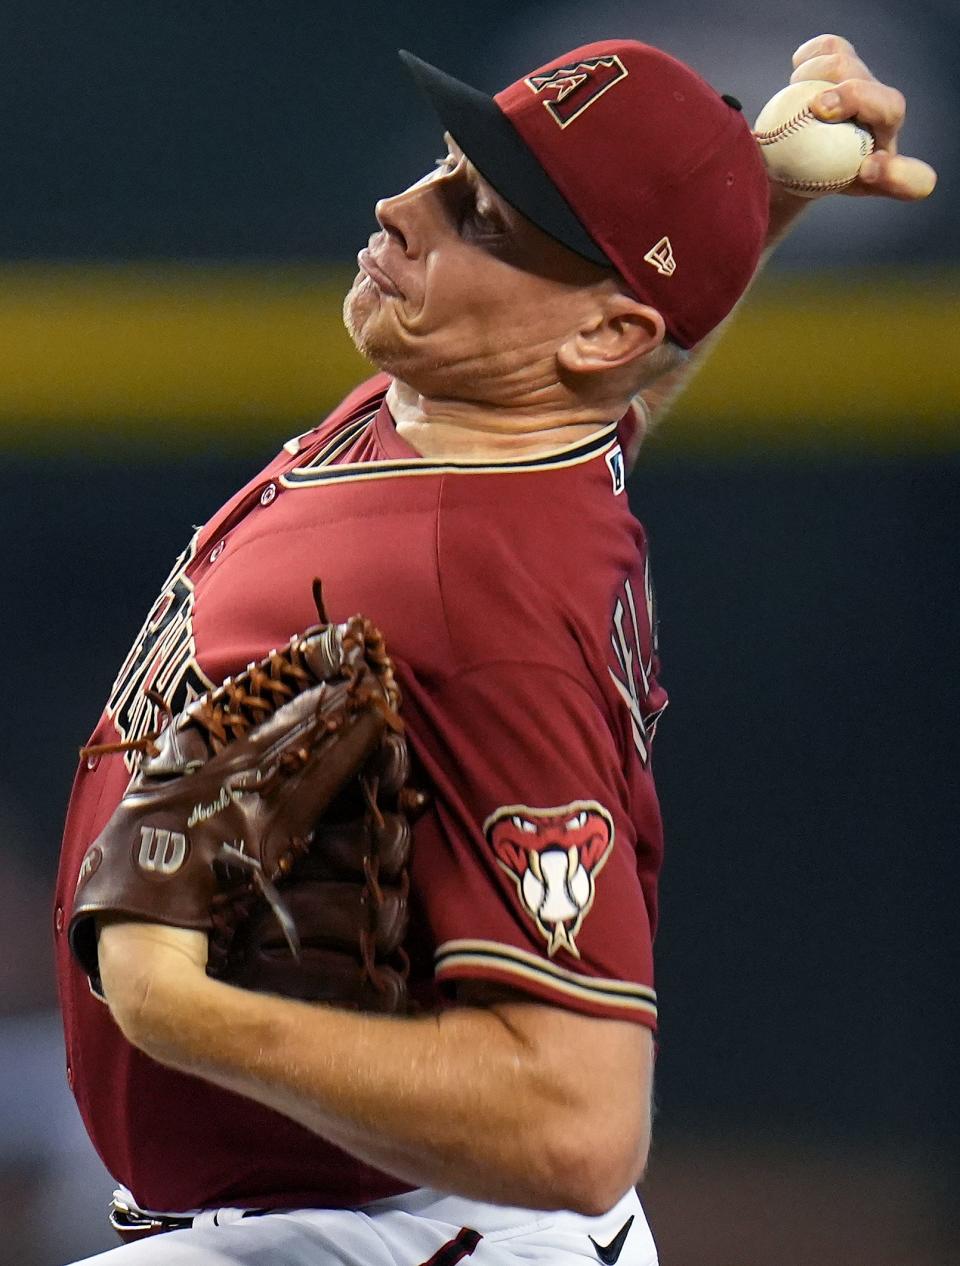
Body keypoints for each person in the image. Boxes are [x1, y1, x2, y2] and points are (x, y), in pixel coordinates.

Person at [53, 32, 935, 1266]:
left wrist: (174, 1004)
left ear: (597, 332)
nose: (402, 207)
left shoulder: (488, 612)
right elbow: (619, 366)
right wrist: (757, 191)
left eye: (483, 215)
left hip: (398, 1232)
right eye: (449, 165)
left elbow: (578, 1126)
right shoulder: (481, 405)